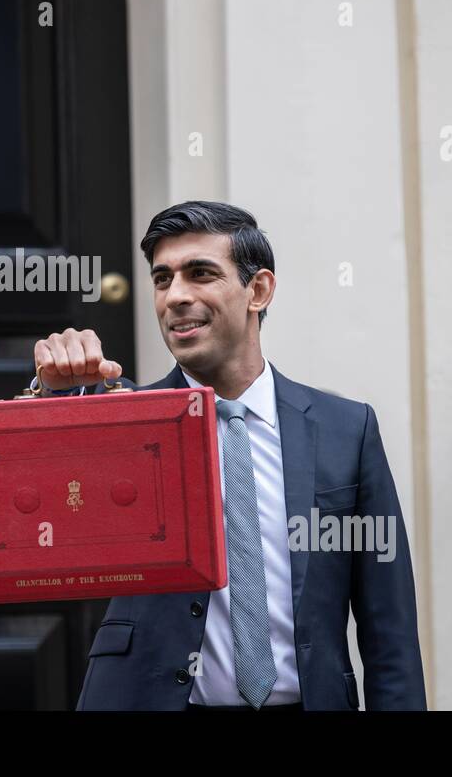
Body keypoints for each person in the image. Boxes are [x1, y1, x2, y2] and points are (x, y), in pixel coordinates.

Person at [30, 200, 427, 711]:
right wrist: (57, 392)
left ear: (257, 290)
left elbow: (389, 626)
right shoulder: (126, 419)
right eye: (162, 279)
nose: (175, 296)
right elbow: (42, 501)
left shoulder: (346, 430)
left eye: (200, 274)